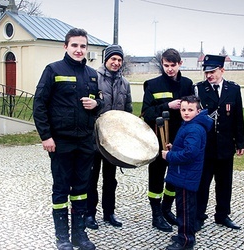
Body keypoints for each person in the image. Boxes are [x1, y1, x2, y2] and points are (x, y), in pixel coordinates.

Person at [33, 28, 103, 250]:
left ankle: (79, 236)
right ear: (65, 46)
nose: (79, 50)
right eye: (74, 45)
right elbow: (39, 105)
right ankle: (62, 237)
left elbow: (97, 101)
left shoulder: (92, 74)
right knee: (62, 188)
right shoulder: (53, 70)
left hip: (84, 141)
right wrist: (46, 136)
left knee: (82, 188)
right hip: (61, 142)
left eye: (83, 46)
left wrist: (97, 104)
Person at [141, 48, 194, 232]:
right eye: (166, 65)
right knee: (156, 176)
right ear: (162, 64)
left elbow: (194, 110)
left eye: (173, 65)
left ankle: (166, 209)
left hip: (180, 139)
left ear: (180, 64)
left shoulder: (187, 84)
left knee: (175, 176)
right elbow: (146, 113)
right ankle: (156, 214)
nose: (169, 69)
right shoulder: (152, 84)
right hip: (158, 139)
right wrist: (167, 106)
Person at [194, 54, 244, 230]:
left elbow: (238, 117)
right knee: (203, 183)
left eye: (213, 71)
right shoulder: (199, 89)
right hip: (206, 146)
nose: (209, 75)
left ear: (222, 70)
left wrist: (240, 142)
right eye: (206, 72)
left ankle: (222, 215)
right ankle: (198, 216)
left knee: (224, 184)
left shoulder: (233, 89)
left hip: (225, 146)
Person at [84, 44, 133, 230]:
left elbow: (128, 111)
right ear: (106, 59)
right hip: (95, 138)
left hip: (115, 141)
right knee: (92, 178)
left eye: (119, 60)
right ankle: (90, 214)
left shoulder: (125, 83)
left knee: (110, 179)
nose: (116, 62)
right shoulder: (94, 78)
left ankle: (109, 212)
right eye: (113, 59)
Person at [162, 95, 213, 250]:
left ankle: (186, 241)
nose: (186, 112)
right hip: (184, 174)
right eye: (183, 109)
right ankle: (183, 234)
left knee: (185, 210)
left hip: (186, 175)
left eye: (190, 110)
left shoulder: (194, 128)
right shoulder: (189, 124)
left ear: (198, 111)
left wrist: (169, 155)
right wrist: (174, 148)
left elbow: (190, 154)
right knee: (184, 208)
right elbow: (186, 148)